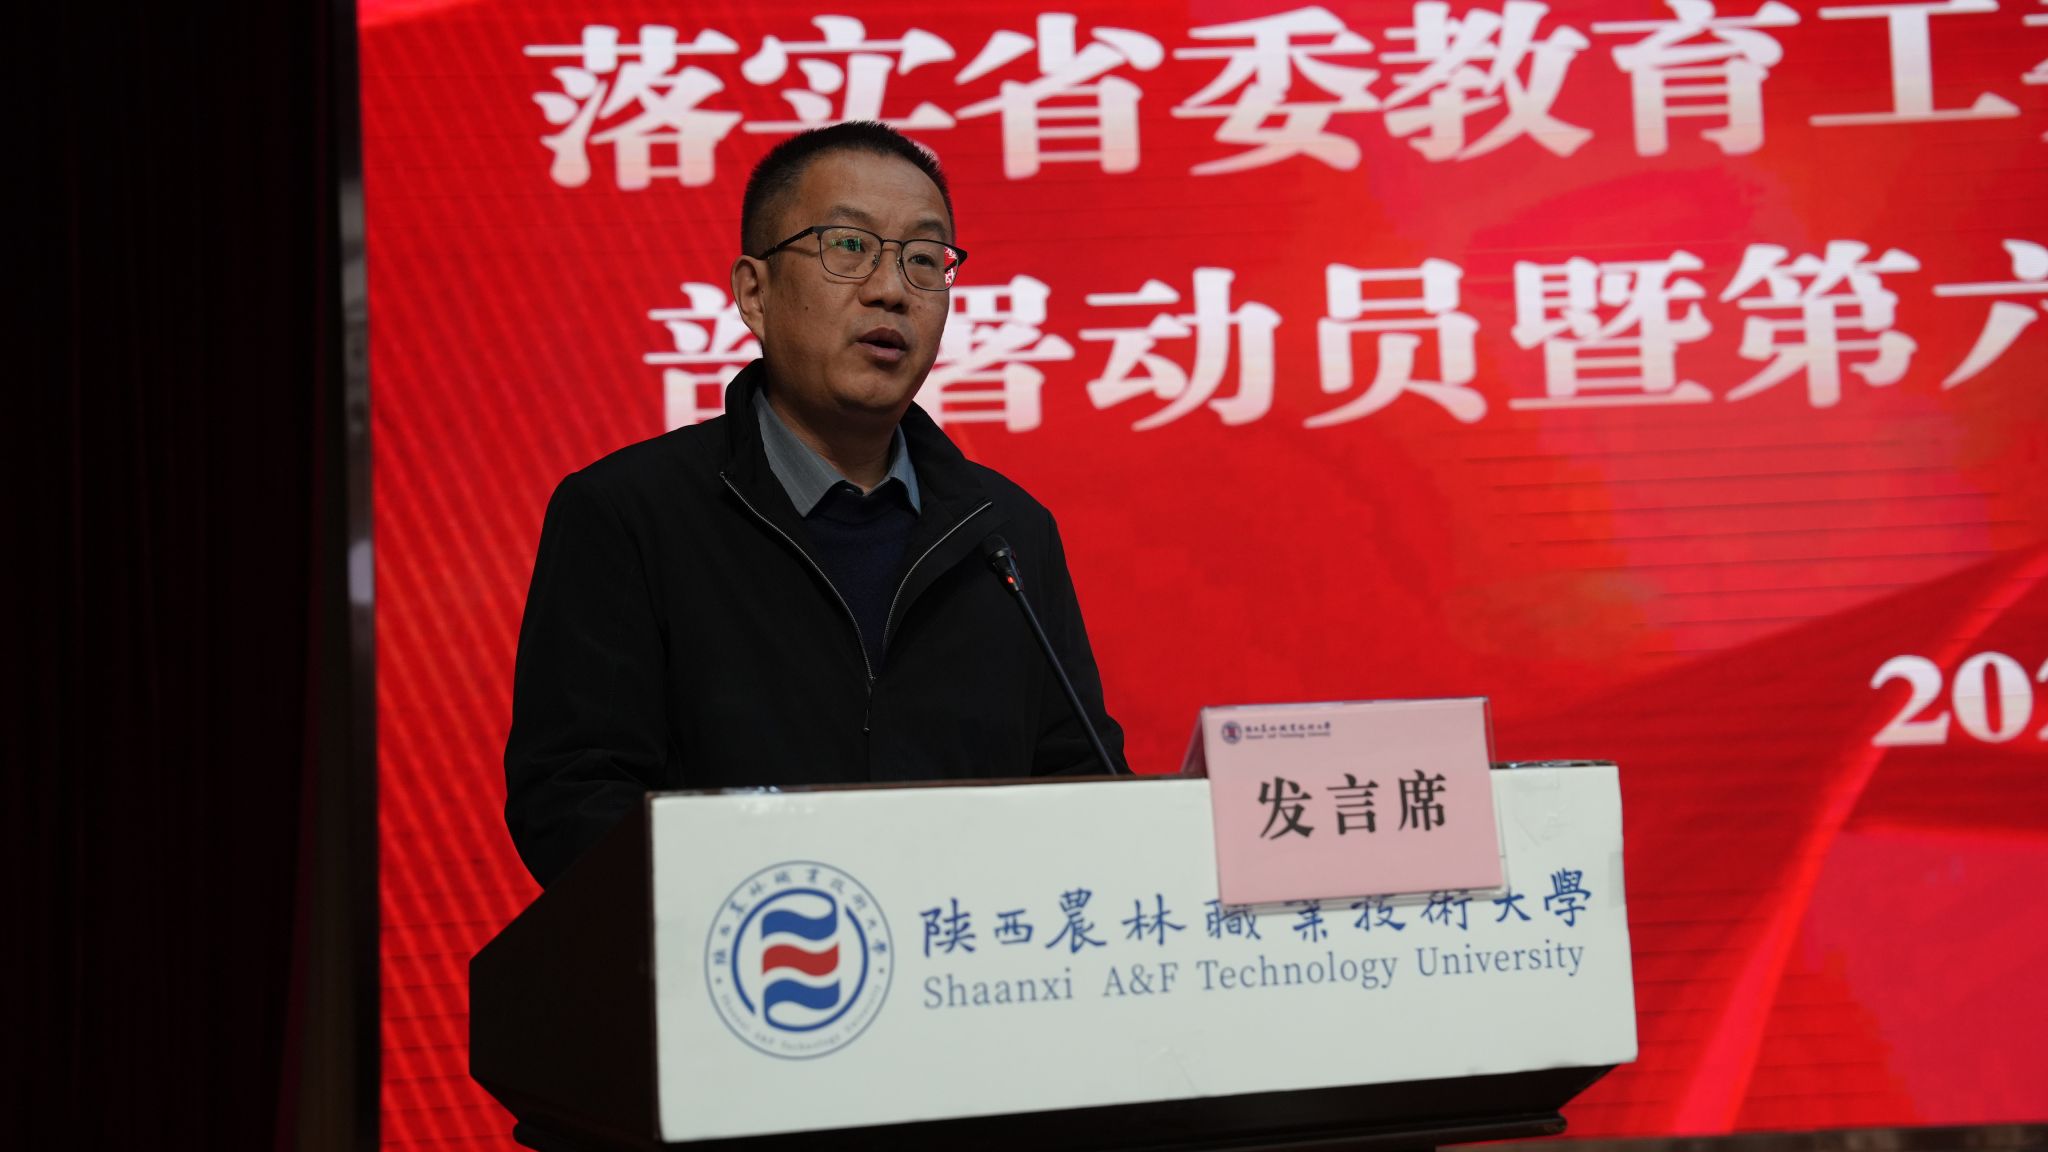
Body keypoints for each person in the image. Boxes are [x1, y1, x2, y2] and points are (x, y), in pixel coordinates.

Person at [503, 121, 1125, 887]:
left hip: (966, 952)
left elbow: (1086, 787)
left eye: (924, 259)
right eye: (849, 246)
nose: (891, 289)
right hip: (758, 948)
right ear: (754, 293)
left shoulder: (1006, 533)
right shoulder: (629, 515)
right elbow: (571, 800)